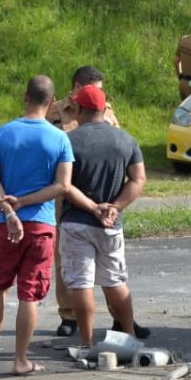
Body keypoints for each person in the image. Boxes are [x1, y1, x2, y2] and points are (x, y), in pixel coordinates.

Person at [0, 75, 74, 376]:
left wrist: (8, 207)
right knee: (30, 295)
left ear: (24, 96)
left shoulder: (4, 133)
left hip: (6, 224)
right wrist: (27, 202)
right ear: (52, 101)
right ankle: (20, 360)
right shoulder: (59, 138)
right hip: (41, 225)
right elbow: (62, 186)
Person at [61, 84, 150, 352]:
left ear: (78, 109)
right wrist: (116, 206)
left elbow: (63, 184)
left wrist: (92, 207)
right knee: (115, 281)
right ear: (103, 108)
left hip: (76, 220)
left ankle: (86, 344)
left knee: (82, 282)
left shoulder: (68, 140)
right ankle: (131, 336)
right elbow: (138, 178)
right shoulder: (126, 139)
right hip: (111, 225)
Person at [46, 65, 120, 338]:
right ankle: (69, 316)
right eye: (92, 89)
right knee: (67, 258)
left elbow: (117, 142)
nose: (98, 95)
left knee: (110, 261)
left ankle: (119, 317)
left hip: (102, 191)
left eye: (100, 90)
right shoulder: (55, 111)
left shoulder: (106, 110)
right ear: (76, 88)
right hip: (68, 190)